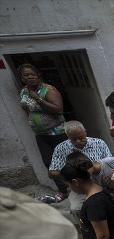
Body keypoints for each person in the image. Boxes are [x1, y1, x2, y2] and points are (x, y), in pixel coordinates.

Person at [17, 63, 68, 201]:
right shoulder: (23, 91)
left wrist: (38, 99)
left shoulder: (49, 90)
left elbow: (58, 109)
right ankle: (63, 190)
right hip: (41, 134)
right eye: (25, 75)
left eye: (32, 74)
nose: (29, 77)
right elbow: (26, 108)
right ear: (22, 78)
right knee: (49, 163)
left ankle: (77, 187)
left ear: (38, 75)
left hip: (57, 133)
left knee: (65, 161)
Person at [49, 120, 113, 216]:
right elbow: (52, 173)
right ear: (67, 136)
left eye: (81, 137)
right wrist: (71, 175)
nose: (78, 141)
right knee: (76, 209)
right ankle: (85, 228)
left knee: (109, 205)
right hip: (79, 187)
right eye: (73, 139)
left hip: (102, 182)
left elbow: (110, 164)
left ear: (85, 132)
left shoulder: (99, 143)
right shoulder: (61, 148)